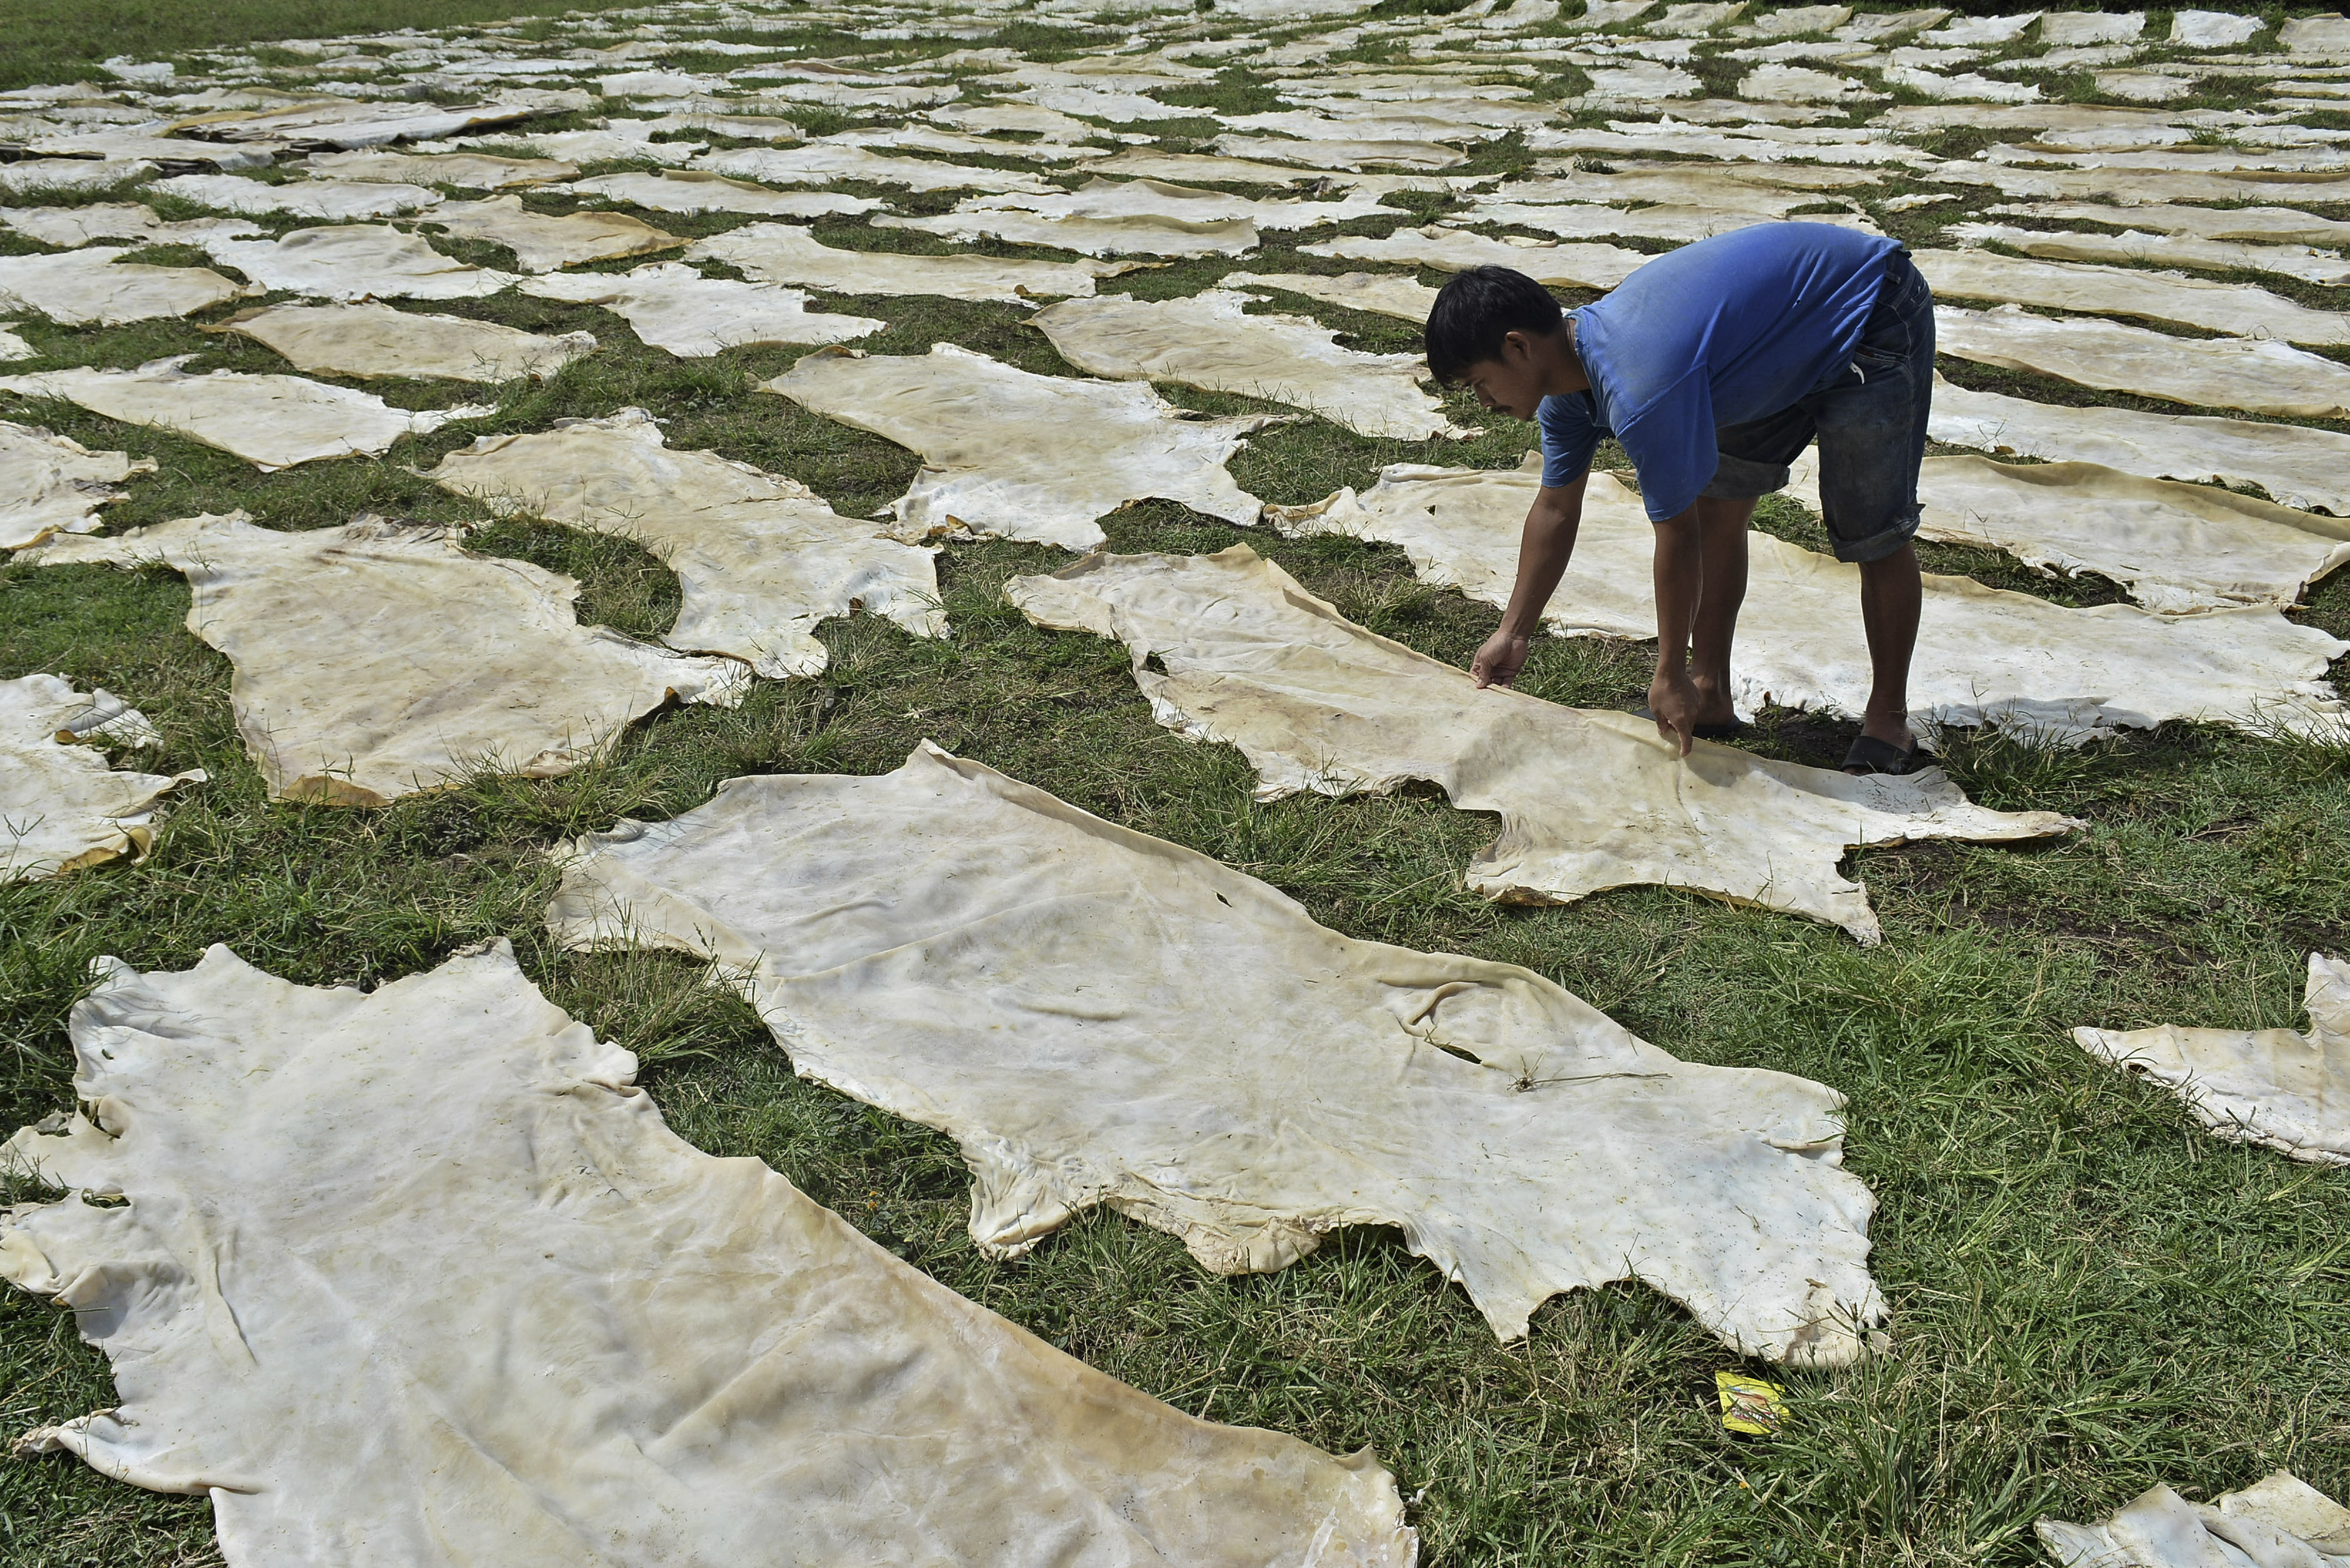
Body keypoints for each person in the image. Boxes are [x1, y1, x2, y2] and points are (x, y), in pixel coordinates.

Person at [1422, 223, 1933, 774]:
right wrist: (1512, 632)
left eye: (1480, 382)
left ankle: (1888, 720)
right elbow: (1555, 509)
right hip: (1770, 338)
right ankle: (1709, 689)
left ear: (1518, 347)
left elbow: (1677, 534)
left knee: (1870, 528)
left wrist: (1666, 673)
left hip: (1869, 307)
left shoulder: (1642, 388)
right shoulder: (1567, 391)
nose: (1482, 402)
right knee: (1720, 503)